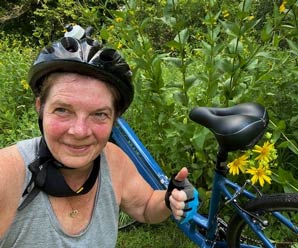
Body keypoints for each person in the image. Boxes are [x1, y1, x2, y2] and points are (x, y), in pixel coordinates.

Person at [0, 25, 198, 247]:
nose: (80, 131)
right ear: (40, 108)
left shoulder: (113, 161)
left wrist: (169, 198)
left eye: (99, 114)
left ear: (115, 120)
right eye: (63, 110)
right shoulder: (7, 175)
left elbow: (145, 208)